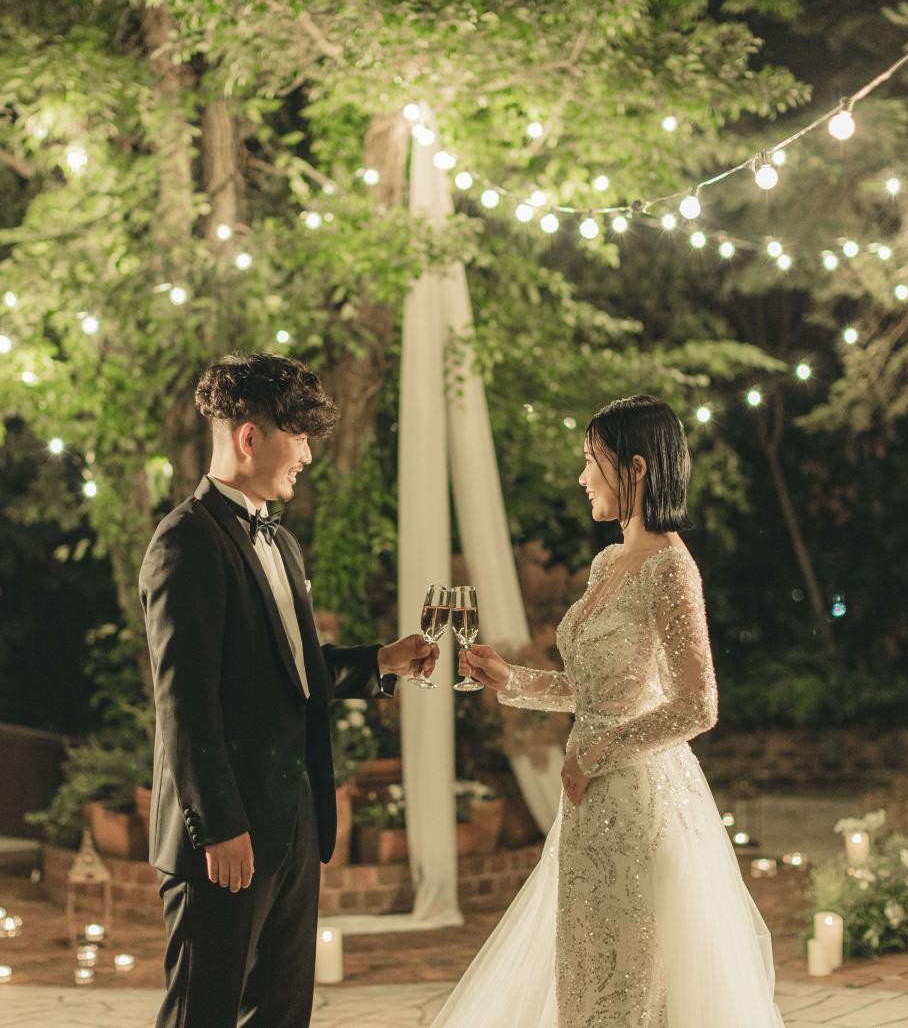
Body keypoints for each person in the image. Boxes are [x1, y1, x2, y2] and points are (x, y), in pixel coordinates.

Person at [436, 394, 784, 1028]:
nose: (581, 477)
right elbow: (596, 689)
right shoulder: (610, 562)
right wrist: (511, 679)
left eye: (591, 460)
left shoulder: (671, 569)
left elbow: (698, 705)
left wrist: (596, 752)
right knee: (587, 975)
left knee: (632, 982)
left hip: (638, 805)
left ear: (636, 468)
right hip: (590, 803)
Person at [140, 353, 437, 1028]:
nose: (306, 455)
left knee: (280, 1016)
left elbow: (292, 673)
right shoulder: (186, 543)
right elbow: (184, 704)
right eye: (298, 436)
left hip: (293, 826)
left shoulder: (282, 543)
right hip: (225, 838)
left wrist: (381, 661)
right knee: (202, 1016)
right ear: (250, 437)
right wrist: (220, 826)